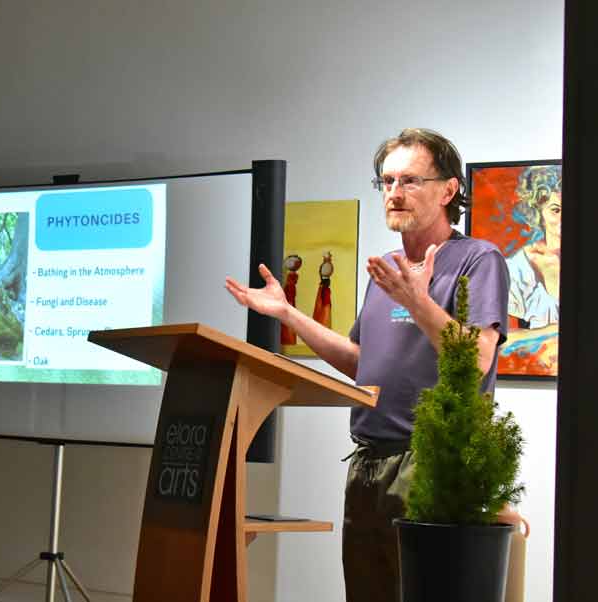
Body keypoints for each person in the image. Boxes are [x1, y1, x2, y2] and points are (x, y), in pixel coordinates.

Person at [225, 128, 510, 602]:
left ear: (448, 190)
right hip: (369, 463)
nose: (394, 193)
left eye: (410, 180)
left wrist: (417, 301)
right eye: (387, 181)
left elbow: (478, 358)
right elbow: (362, 363)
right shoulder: (388, 270)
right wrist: (287, 314)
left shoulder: (478, 259)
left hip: (432, 462)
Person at [503, 165, 561, 371]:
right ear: (539, 212)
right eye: (556, 210)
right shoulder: (519, 268)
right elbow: (499, 339)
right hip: (537, 370)